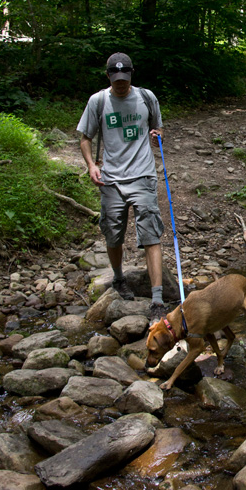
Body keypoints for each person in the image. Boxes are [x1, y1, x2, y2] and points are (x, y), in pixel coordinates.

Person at [77, 52, 167, 318]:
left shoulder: (146, 98)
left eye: (124, 78)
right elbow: (85, 138)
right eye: (115, 79)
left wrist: (156, 136)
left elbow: (159, 129)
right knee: (113, 235)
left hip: (143, 176)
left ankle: (158, 299)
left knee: (151, 234)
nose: (120, 83)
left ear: (131, 74)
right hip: (111, 180)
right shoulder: (98, 101)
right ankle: (118, 279)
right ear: (108, 76)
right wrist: (92, 165)